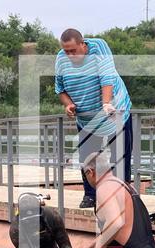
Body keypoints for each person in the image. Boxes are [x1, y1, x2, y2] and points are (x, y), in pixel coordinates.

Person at [55, 28, 133, 209]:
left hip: (115, 109)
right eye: (66, 51)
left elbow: (107, 77)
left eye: (73, 50)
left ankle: (123, 193)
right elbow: (60, 89)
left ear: (83, 44)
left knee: (120, 153)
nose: (69, 55)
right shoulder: (61, 59)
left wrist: (106, 103)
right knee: (88, 157)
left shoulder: (99, 47)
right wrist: (68, 105)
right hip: (87, 117)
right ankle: (90, 195)